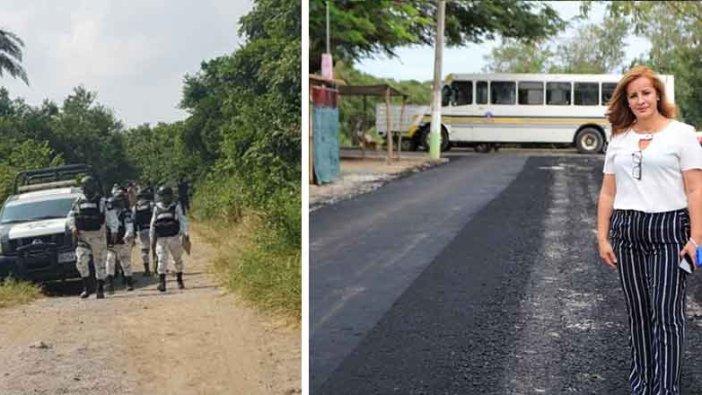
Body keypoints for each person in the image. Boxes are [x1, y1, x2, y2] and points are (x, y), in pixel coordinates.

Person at [597, 65, 702, 394]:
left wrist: (696, 238)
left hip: (669, 228)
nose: (640, 100)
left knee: (667, 316)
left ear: (658, 94)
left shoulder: (681, 134)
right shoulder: (619, 138)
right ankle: (642, 384)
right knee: (638, 313)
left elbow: (695, 190)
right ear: (626, 102)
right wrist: (602, 236)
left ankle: (665, 388)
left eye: (645, 93)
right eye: (633, 96)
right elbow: (607, 192)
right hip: (627, 229)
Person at [68, 176, 109, 299]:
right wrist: (73, 227)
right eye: (86, 186)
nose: (88, 189)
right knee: (81, 261)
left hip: (98, 236)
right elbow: (71, 216)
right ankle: (86, 288)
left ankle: (100, 288)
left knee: (100, 262)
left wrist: (114, 231)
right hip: (83, 236)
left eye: (90, 186)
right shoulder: (78, 201)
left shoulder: (102, 201)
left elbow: (110, 217)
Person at [150, 186, 189, 292]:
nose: (165, 198)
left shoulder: (176, 207)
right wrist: (152, 239)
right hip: (161, 238)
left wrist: (185, 234)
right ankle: (162, 282)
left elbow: (183, 220)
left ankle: (179, 279)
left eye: (167, 196)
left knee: (177, 259)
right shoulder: (156, 208)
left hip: (174, 237)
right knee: (162, 259)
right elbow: (153, 224)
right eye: (163, 196)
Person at [105, 189, 135, 293]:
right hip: (111, 243)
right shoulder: (106, 216)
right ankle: (110, 285)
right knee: (110, 261)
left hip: (122, 241)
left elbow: (129, 225)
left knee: (125, 262)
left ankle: (128, 283)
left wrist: (128, 235)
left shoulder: (125, 213)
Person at [133, 186, 155, 276]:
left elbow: (134, 220)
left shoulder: (135, 207)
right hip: (152, 229)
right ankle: (157, 268)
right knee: (155, 249)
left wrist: (134, 233)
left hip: (141, 230)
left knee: (144, 250)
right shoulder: (151, 204)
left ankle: (147, 270)